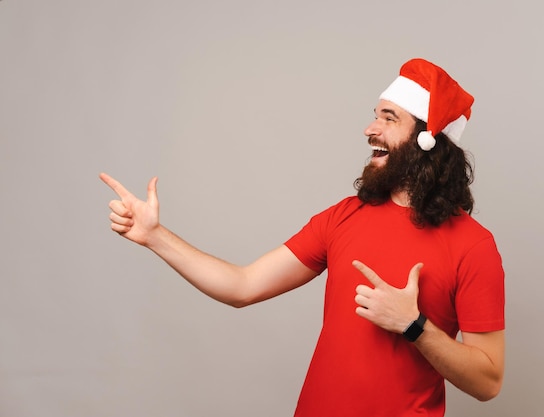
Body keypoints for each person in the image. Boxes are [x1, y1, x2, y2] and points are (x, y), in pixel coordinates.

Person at [100, 58, 505, 417]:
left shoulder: (472, 246)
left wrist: (413, 325)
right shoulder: (343, 217)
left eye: (388, 118)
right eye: (374, 116)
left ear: (426, 140)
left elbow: (488, 382)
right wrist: (154, 236)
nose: (370, 129)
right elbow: (243, 286)